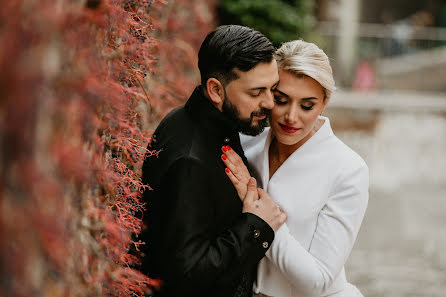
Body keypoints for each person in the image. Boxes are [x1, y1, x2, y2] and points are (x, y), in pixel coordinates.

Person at [140, 25, 287, 297]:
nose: (269, 103)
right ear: (216, 91)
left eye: (272, 89)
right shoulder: (189, 162)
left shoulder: (214, 123)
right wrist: (256, 226)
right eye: (256, 93)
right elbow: (186, 275)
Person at [221, 40, 369, 297]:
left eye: (307, 105)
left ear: (324, 103)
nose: (291, 116)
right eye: (281, 100)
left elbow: (318, 281)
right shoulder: (245, 145)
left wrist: (264, 220)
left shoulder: (348, 169)